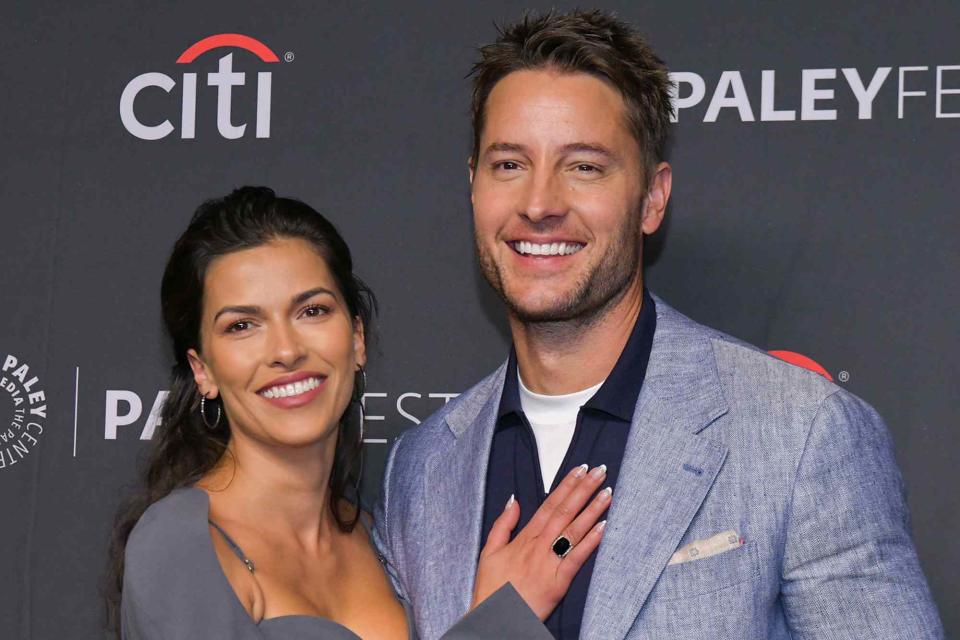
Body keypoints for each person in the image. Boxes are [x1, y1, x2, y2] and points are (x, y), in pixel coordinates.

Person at [372, 10, 944, 640]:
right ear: (473, 186)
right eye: (509, 164)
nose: (538, 204)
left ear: (652, 199)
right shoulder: (420, 472)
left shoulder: (802, 434)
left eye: (584, 166)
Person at [104, 187, 613, 639]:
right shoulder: (179, 546)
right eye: (242, 326)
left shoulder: (378, 535)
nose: (285, 350)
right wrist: (503, 620)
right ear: (203, 370)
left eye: (312, 311)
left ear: (357, 338)